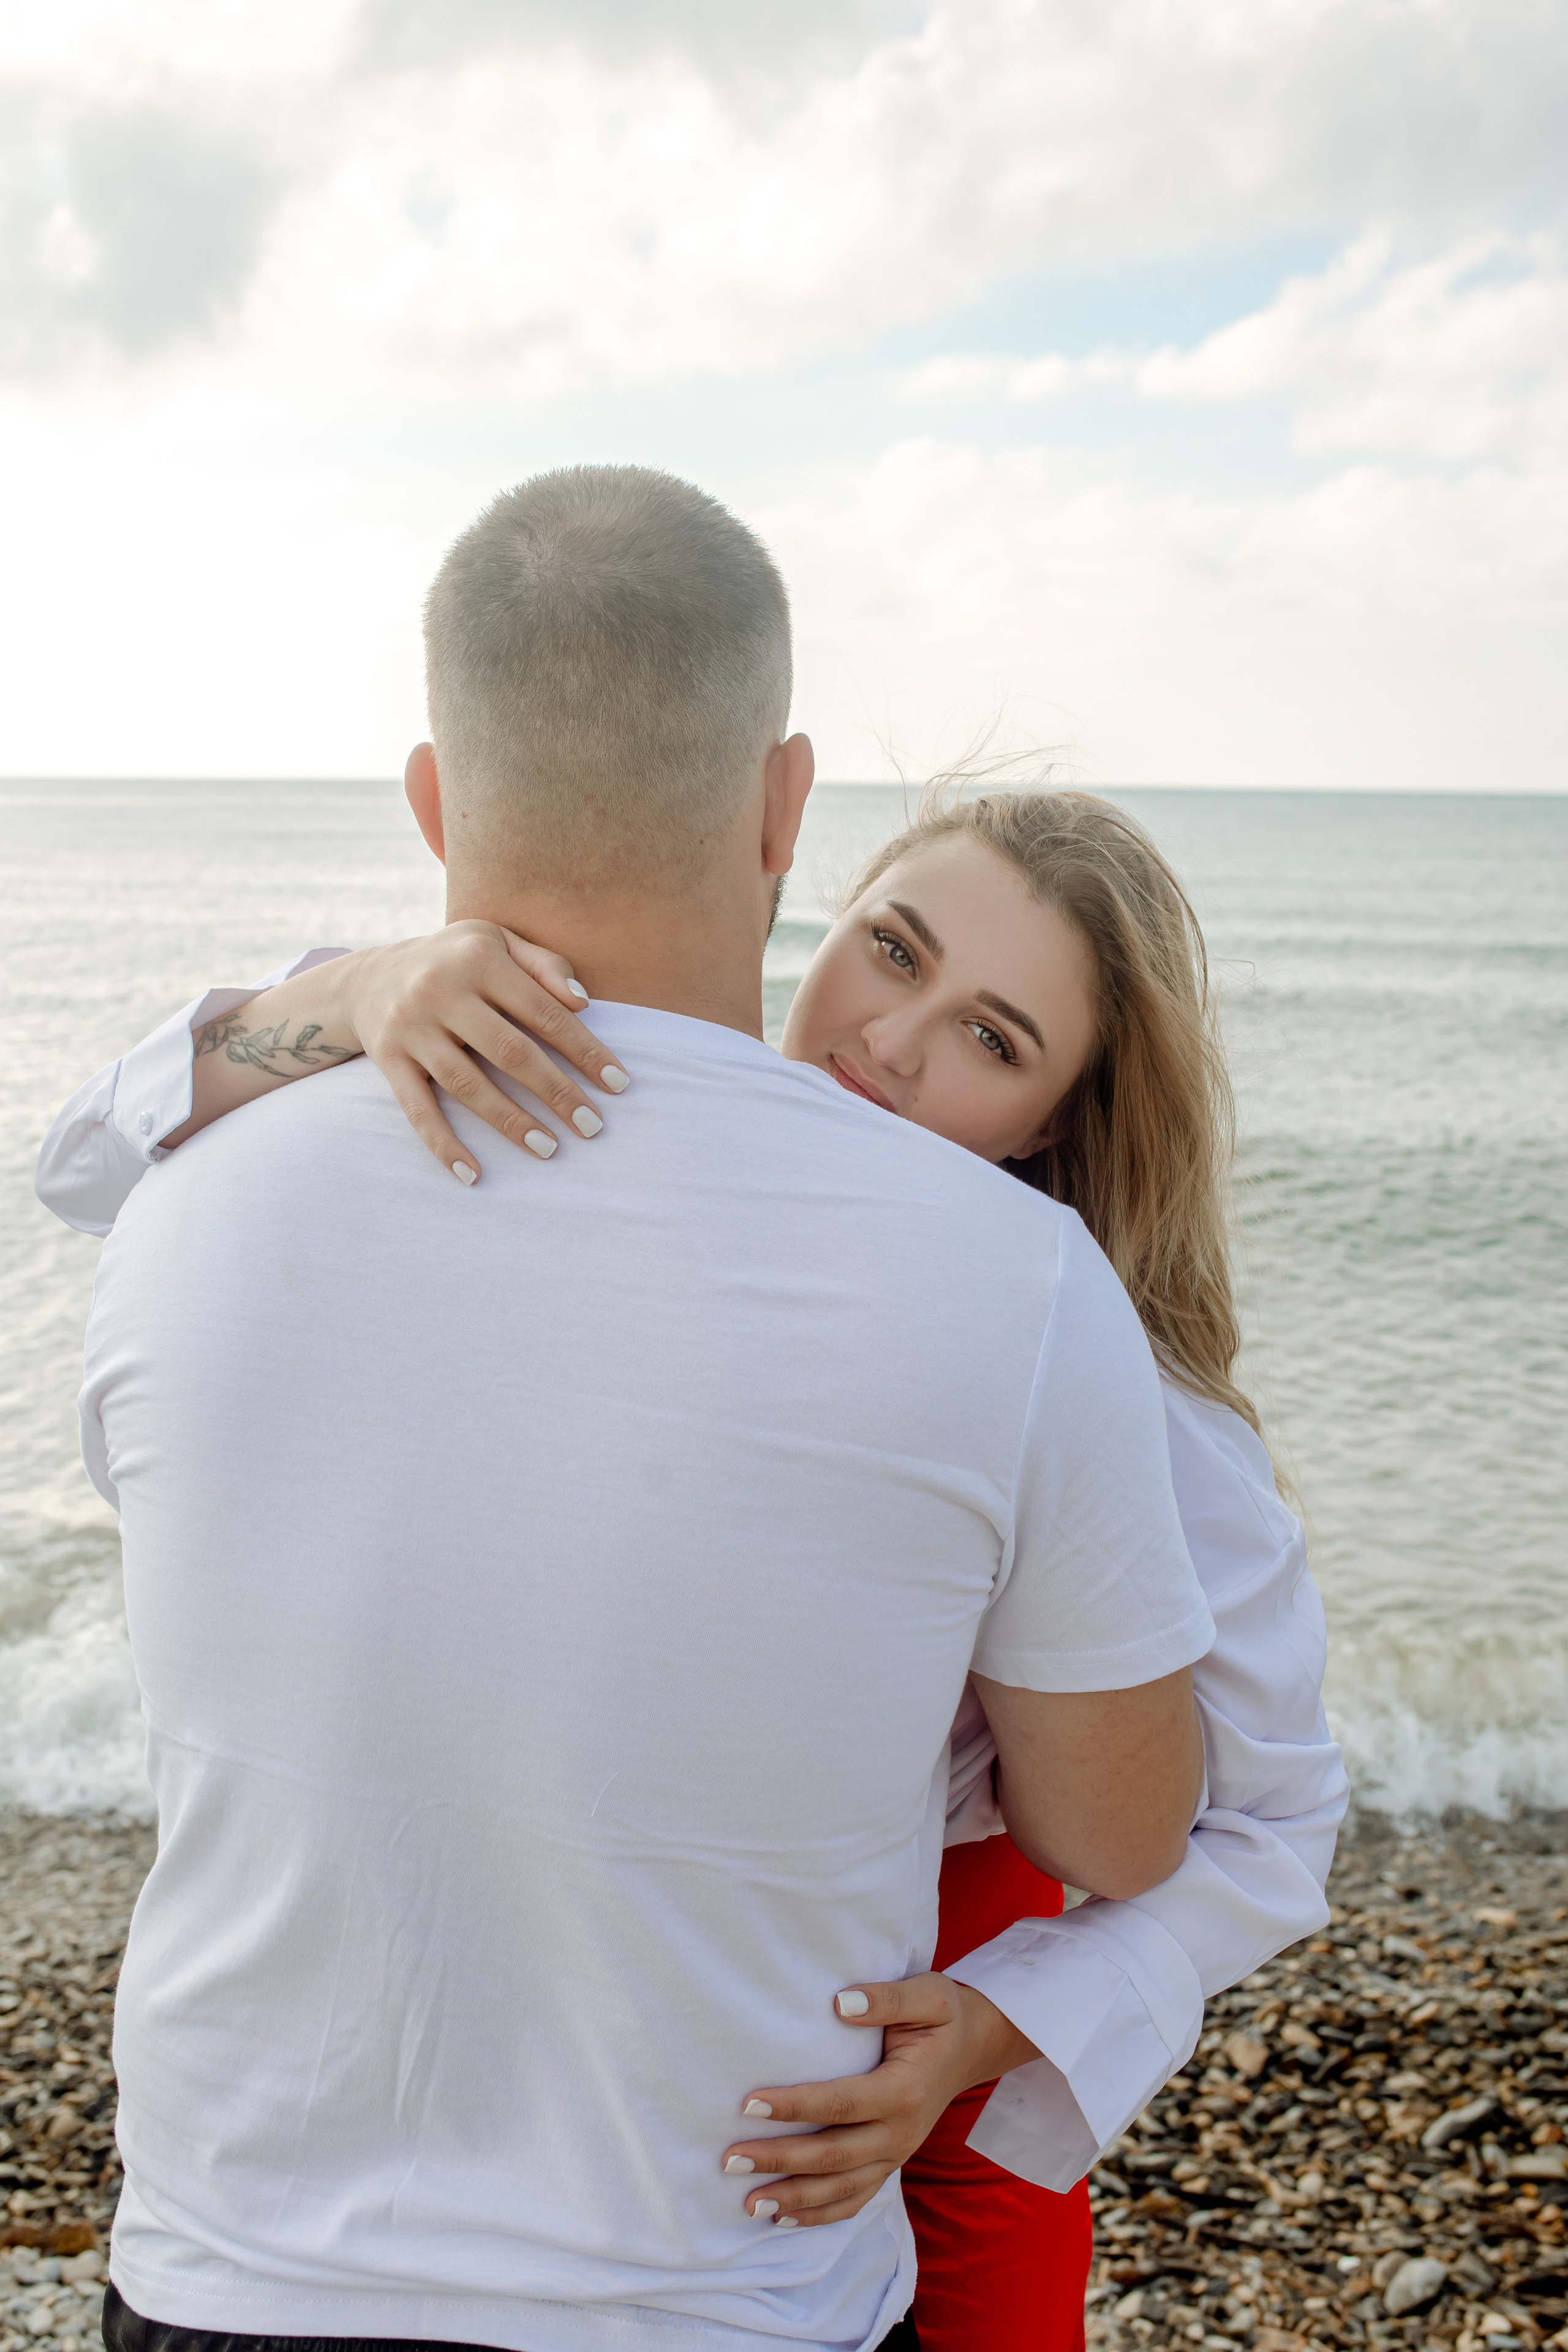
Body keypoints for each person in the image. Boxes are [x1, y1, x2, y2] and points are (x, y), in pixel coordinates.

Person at [47, 466, 1223, 2352]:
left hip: (227, 2277)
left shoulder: (180, 1209)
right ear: (785, 805)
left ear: (433, 798)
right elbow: (1123, 1834)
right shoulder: (1008, 1287)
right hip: (719, 2290)